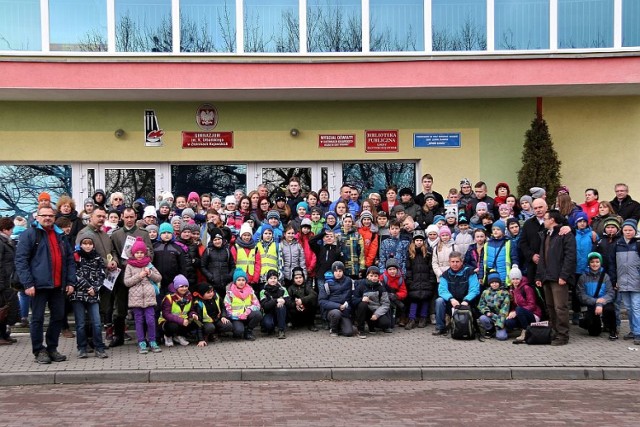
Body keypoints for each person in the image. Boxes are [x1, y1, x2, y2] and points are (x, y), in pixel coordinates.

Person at [15, 206, 76, 364]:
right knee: (37, 319)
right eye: (44, 215)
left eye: (50, 215)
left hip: (58, 286)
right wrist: (28, 283)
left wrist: (70, 281)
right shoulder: (29, 235)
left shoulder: (60, 235)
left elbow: (69, 260)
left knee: (57, 317)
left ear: (55, 217)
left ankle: (52, 348)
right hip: (38, 286)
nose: (47, 218)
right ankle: (38, 350)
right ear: (37, 217)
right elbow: (21, 261)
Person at [535, 209, 577, 346]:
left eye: (546, 218)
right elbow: (542, 258)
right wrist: (539, 276)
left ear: (552, 220)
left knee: (560, 307)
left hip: (559, 277)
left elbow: (570, 257)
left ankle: (563, 335)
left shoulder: (564, 234)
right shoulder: (546, 235)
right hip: (547, 276)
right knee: (551, 307)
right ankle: (554, 332)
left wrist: (564, 275)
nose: (544, 221)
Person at [70, 236, 108, 359]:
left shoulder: (97, 258)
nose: (87, 246)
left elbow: (102, 275)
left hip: (93, 295)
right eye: (85, 244)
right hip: (78, 294)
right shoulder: (75, 257)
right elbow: (75, 275)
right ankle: (82, 347)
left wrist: (95, 288)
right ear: (80, 245)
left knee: (97, 322)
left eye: (90, 244)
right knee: (80, 323)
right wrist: (87, 287)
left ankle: (99, 347)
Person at [124, 237, 162, 354]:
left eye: (141, 252)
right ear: (133, 253)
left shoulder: (149, 264)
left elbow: (159, 277)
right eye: (137, 253)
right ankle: (141, 342)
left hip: (149, 297)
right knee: (139, 321)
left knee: (150, 320)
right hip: (136, 299)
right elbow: (127, 282)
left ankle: (152, 341)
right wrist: (139, 276)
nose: (139, 255)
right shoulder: (129, 266)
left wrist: (150, 273)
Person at [433, 251, 480, 336]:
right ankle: (440, 327)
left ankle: (470, 325)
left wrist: (466, 300)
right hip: (452, 302)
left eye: (457, 262)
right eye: (453, 262)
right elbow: (442, 290)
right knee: (439, 301)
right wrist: (451, 299)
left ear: (461, 262)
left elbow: (475, 289)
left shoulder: (470, 272)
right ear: (449, 262)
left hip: (467, 303)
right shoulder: (445, 275)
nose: (455, 264)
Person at [609, 219, 640, 345]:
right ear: (622, 231)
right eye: (625, 230)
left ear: (635, 230)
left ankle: (638, 333)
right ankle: (633, 330)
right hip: (622, 282)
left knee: (636, 307)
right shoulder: (617, 245)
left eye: (630, 230)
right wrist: (614, 280)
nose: (628, 232)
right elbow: (612, 264)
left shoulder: (638, 244)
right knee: (628, 307)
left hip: (637, 282)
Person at [577, 252, 617, 339]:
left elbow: (610, 293)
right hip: (590, 303)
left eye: (597, 262)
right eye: (592, 262)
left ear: (600, 263)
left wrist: (600, 303)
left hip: (603, 302)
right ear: (589, 263)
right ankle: (597, 324)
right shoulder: (583, 277)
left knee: (610, 309)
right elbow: (581, 294)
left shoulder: (605, 276)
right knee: (594, 332)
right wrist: (595, 301)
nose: (595, 264)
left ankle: (612, 330)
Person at [405, 230, 436, 329]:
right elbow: (408, 268)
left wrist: (431, 281)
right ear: (414, 241)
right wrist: (409, 280)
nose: (419, 242)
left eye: (420, 240)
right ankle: (412, 318)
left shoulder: (427, 253)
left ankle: (423, 318)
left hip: (426, 280)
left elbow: (431, 268)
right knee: (414, 299)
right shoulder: (410, 254)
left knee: (425, 299)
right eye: (417, 240)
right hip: (414, 280)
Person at [352, 266, 392, 338]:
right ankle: (360, 330)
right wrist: (361, 299)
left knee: (385, 323)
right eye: (371, 276)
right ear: (367, 276)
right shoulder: (361, 286)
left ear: (378, 277)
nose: (373, 278)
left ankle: (372, 326)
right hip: (364, 310)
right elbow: (353, 300)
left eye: (375, 276)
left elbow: (385, 304)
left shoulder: (381, 288)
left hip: (376, 311)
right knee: (362, 305)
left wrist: (377, 314)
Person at [190, 282, 233, 347]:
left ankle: (214, 334)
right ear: (202, 294)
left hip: (216, 319)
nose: (211, 294)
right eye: (208, 292)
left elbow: (223, 307)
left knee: (228, 325)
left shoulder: (216, 296)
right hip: (205, 322)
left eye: (212, 291)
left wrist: (223, 316)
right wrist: (200, 339)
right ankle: (206, 335)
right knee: (210, 328)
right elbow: (198, 322)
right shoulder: (198, 303)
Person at [505, 266, 542, 343]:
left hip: (533, 314)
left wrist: (517, 311)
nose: (515, 281)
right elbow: (514, 306)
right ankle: (523, 328)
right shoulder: (511, 290)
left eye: (517, 279)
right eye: (513, 279)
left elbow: (532, 305)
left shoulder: (526, 288)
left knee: (518, 309)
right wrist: (512, 312)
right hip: (521, 314)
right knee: (508, 322)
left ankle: (526, 331)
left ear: (521, 278)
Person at [224, 269, 262, 341]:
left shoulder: (250, 291)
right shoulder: (229, 293)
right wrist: (237, 315)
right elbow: (227, 310)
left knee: (258, 314)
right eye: (238, 280)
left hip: (247, 315)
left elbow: (257, 305)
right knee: (238, 332)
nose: (241, 282)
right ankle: (239, 330)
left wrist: (248, 310)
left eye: (243, 280)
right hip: (236, 317)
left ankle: (248, 331)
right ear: (235, 281)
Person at [318, 262, 354, 337]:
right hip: (333, 310)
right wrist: (338, 306)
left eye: (340, 271)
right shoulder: (327, 284)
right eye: (335, 271)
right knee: (336, 313)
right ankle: (333, 329)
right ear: (333, 272)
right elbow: (321, 301)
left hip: (345, 311)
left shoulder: (349, 281)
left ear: (343, 271)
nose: (338, 273)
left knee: (348, 333)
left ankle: (341, 326)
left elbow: (353, 295)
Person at [159, 274, 194, 348]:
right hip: (166, 321)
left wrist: (193, 314)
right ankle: (168, 336)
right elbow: (166, 314)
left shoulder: (189, 296)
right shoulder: (169, 298)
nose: (184, 288)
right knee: (173, 326)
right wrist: (181, 320)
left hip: (182, 319)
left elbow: (191, 310)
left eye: (186, 286)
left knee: (195, 322)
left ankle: (179, 336)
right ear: (176, 287)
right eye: (181, 286)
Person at [200, 226, 235, 297]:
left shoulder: (227, 250)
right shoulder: (208, 251)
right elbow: (203, 266)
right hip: (213, 284)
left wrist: (229, 276)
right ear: (212, 241)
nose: (217, 241)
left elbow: (232, 265)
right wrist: (210, 277)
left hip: (226, 283)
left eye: (219, 239)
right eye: (215, 240)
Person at [477, 271, 511, 340]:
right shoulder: (485, 292)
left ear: (499, 283)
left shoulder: (505, 293)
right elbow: (481, 304)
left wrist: (499, 323)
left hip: (501, 318)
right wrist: (487, 312)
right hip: (489, 316)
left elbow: (505, 309)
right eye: (492, 283)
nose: (494, 284)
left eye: (496, 282)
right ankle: (490, 329)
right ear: (490, 283)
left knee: (502, 337)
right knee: (482, 318)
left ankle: (500, 328)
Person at [0, 217, 18, 345]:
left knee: (7, 309)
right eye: (11, 229)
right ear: (5, 229)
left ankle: (5, 335)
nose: (12, 232)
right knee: (2, 309)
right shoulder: (1, 243)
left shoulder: (6, 242)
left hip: (8, 280)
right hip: (3, 281)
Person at [259, 269, 290, 339]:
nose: (273, 280)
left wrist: (284, 301)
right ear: (267, 280)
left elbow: (290, 303)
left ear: (278, 279)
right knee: (268, 325)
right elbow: (265, 306)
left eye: (275, 278)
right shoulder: (263, 291)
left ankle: (281, 330)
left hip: (281, 313)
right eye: (271, 278)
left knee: (281, 306)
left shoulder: (283, 289)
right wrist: (276, 300)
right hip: (268, 313)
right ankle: (270, 328)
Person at [286, 267, 318, 331]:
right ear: (293, 279)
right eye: (296, 278)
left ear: (303, 278)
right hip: (296, 311)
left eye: (300, 277)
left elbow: (314, 295)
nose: (298, 280)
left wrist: (302, 301)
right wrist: (296, 304)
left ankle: (311, 324)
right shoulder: (290, 288)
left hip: (306, 310)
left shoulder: (307, 286)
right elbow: (288, 301)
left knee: (313, 302)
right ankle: (294, 324)